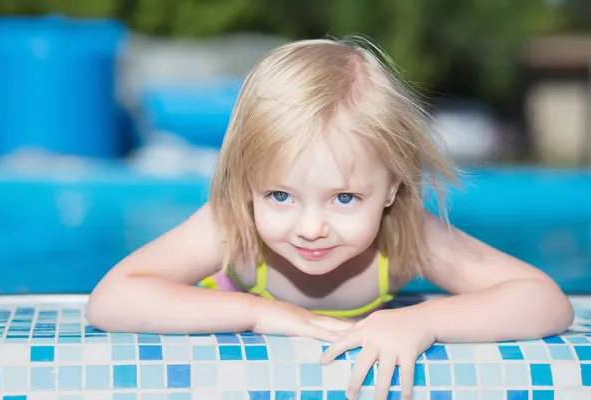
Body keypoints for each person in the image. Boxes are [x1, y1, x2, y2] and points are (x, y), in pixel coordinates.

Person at [87, 37, 573, 400]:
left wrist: (423, 322)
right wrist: (259, 313)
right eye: (280, 195)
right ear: (245, 183)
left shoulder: (407, 234)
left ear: (392, 187)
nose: (310, 227)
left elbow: (543, 300)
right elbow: (112, 299)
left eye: (344, 199)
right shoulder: (232, 225)